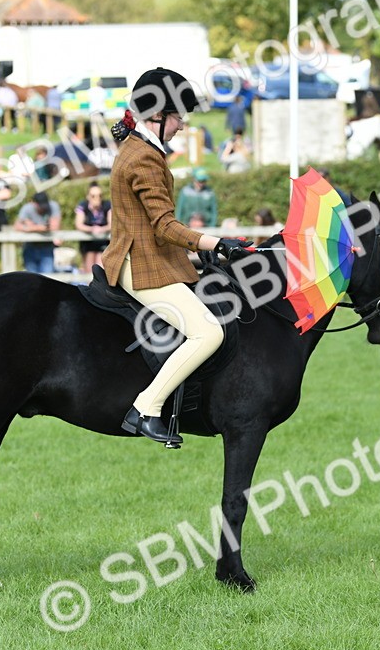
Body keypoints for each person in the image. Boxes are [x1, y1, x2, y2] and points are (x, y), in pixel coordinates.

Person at [101, 66, 253, 447]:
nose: (182, 125)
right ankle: (146, 408)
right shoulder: (142, 158)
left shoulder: (143, 149)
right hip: (141, 264)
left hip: (154, 257)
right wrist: (214, 242)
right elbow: (164, 227)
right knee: (207, 333)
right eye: (178, 117)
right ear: (157, 116)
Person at [15, 191, 62, 273]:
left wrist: (30, 225)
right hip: (30, 247)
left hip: (47, 247)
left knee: (47, 277)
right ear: (34, 203)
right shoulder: (27, 208)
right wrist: (36, 228)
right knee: (32, 278)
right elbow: (17, 226)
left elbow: (55, 226)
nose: (43, 208)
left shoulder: (53, 206)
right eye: (41, 206)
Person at [75, 183, 112, 273]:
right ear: (88, 196)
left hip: (103, 241)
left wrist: (101, 229)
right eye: (93, 196)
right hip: (88, 243)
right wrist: (92, 229)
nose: (97, 198)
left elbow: (112, 224)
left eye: (100, 195)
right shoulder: (83, 206)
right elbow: (79, 224)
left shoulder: (107, 205)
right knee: (89, 270)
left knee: (100, 270)